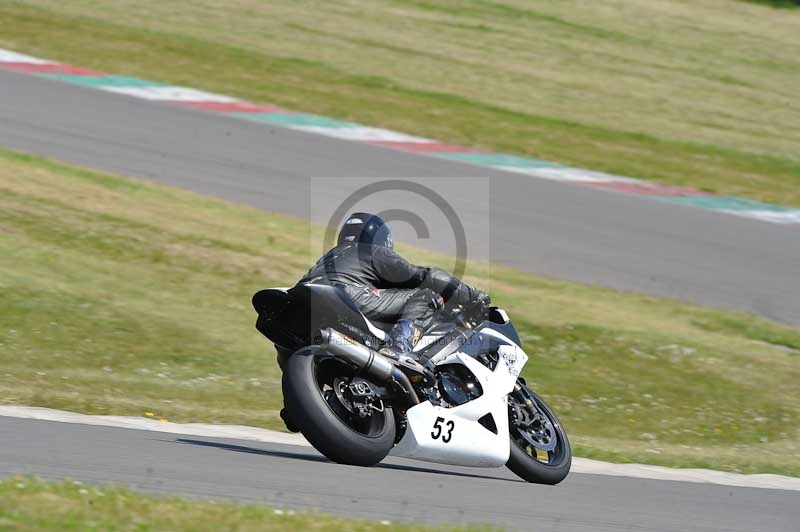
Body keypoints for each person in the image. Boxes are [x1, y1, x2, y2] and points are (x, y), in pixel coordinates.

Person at [297, 212, 490, 355]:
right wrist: (473, 296)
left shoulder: (328, 258)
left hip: (303, 301)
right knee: (425, 297)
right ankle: (399, 348)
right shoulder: (372, 251)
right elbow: (428, 277)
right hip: (344, 296)